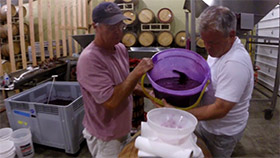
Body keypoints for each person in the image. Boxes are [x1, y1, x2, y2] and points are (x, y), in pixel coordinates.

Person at [155, 6, 254, 158]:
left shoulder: (235, 63)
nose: (207, 47)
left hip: (222, 133)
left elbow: (220, 109)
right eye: (204, 41)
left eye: (212, 42)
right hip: (207, 124)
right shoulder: (219, 48)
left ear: (231, 34)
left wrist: (179, 114)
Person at [76, 2, 153, 158]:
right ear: (95, 26)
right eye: (112, 28)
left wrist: (150, 94)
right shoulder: (89, 59)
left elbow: (125, 84)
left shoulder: (120, 49)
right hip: (105, 137)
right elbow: (111, 101)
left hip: (123, 127)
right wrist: (137, 72)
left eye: (120, 26)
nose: (118, 32)